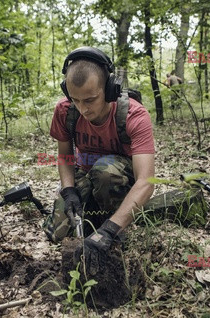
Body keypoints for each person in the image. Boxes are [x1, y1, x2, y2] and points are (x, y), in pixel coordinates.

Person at [43, 47, 155, 274]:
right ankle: (91, 210)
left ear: (110, 89)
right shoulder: (65, 111)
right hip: (85, 173)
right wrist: (69, 191)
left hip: (119, 178)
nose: (82, 109)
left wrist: (109, 231)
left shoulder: (134, 115)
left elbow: (147, 181)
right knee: (55, 232)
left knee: (105, 171)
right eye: (75, 99)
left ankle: (115, 223)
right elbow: (65, 155)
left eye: (90, 100)